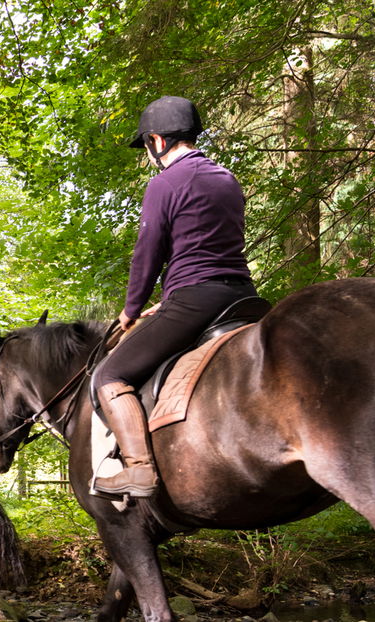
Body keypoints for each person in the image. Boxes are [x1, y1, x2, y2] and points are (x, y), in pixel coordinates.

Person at [91, 95, 258, 499]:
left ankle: (139, 470)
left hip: (196, 300)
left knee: (109, 376)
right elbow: (209, 246)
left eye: (147, 144)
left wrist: (131, 310)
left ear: (156, 140)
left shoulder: (164, 183)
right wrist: (167, 301)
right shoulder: (226, 178)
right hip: (242, 296)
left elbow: (148, 254)